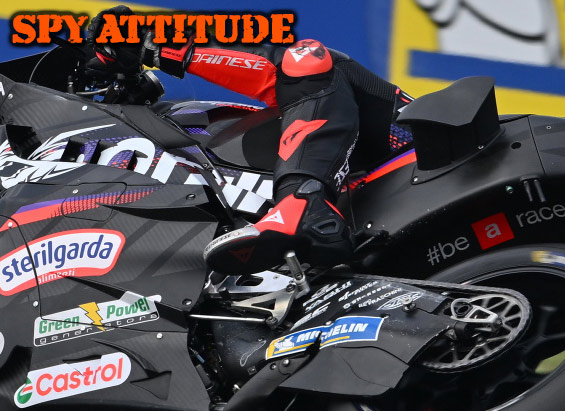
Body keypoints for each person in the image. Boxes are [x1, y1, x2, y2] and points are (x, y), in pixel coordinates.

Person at [86, 6, 413, 275]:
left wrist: (158, 45)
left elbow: (283, 70)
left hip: (409, 143)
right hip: (384, 207)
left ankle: (303, 204)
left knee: (306, 59)